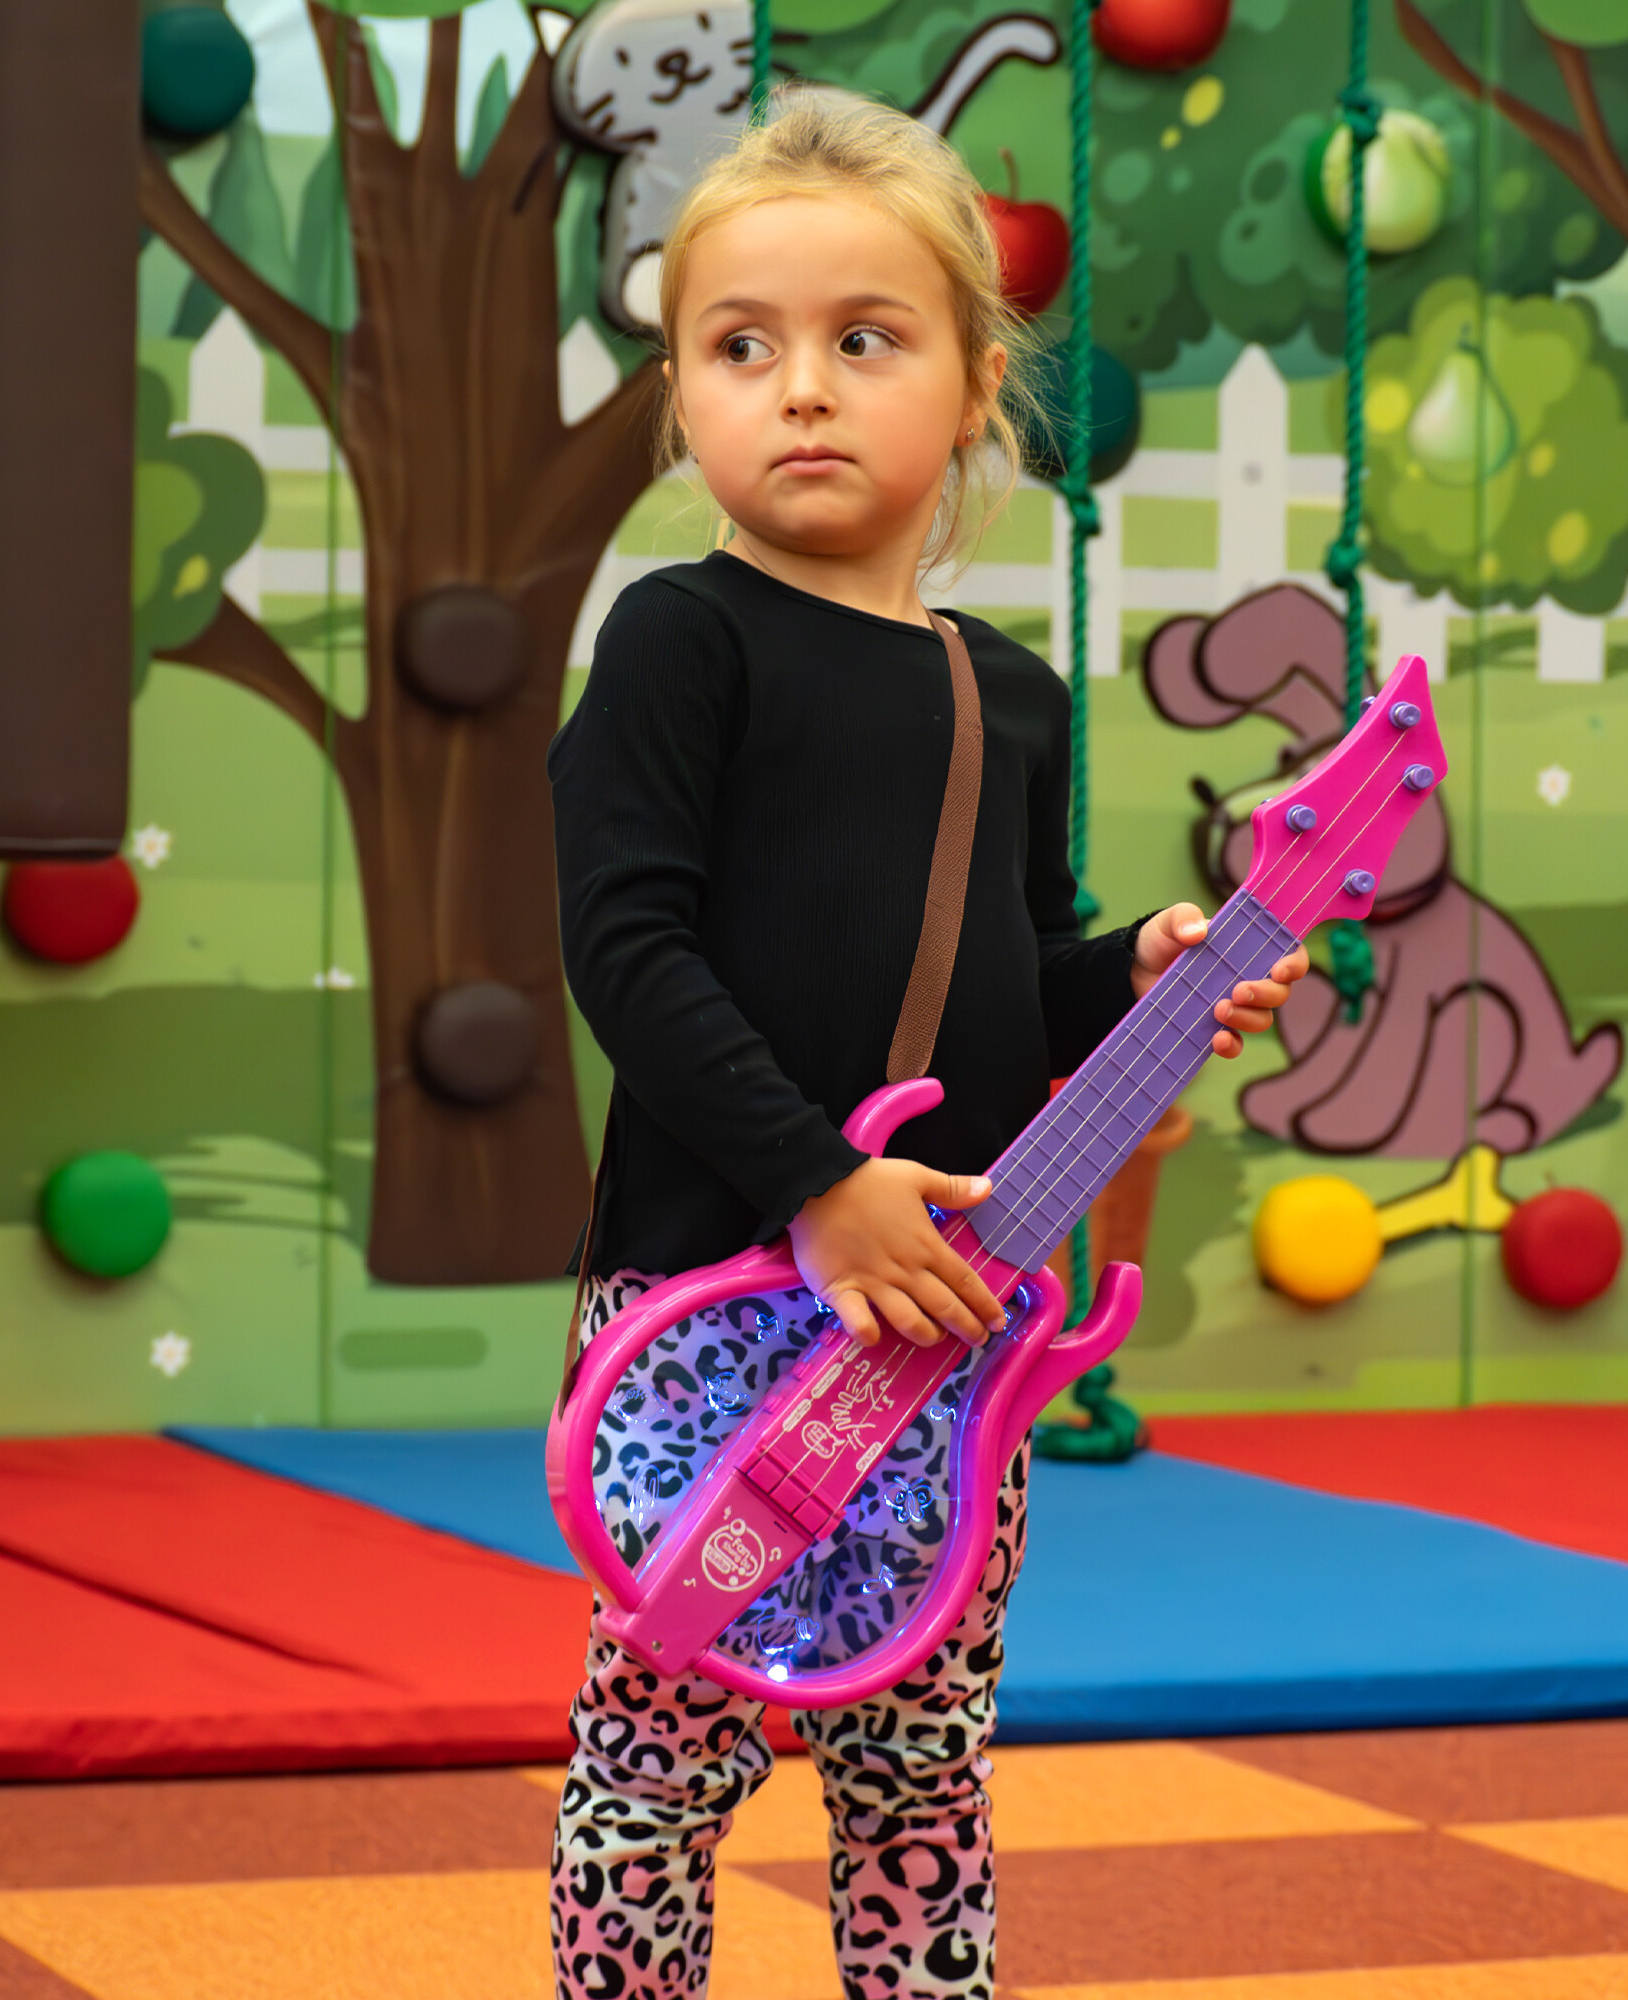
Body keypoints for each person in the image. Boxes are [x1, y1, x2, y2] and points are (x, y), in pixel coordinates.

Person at [545, 87, 1306, 2000]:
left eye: (864, 340)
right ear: (682, 394)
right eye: (742, 347)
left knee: (921, 1767)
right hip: (708, 1307)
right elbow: (626, 950)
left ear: (974, 388)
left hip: (942, 1331)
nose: (800, 388)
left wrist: (1137, 969)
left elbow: (1010, 978)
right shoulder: (678, 641)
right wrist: (821, 1183)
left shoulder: (1009, 695)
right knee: (659, 1761)